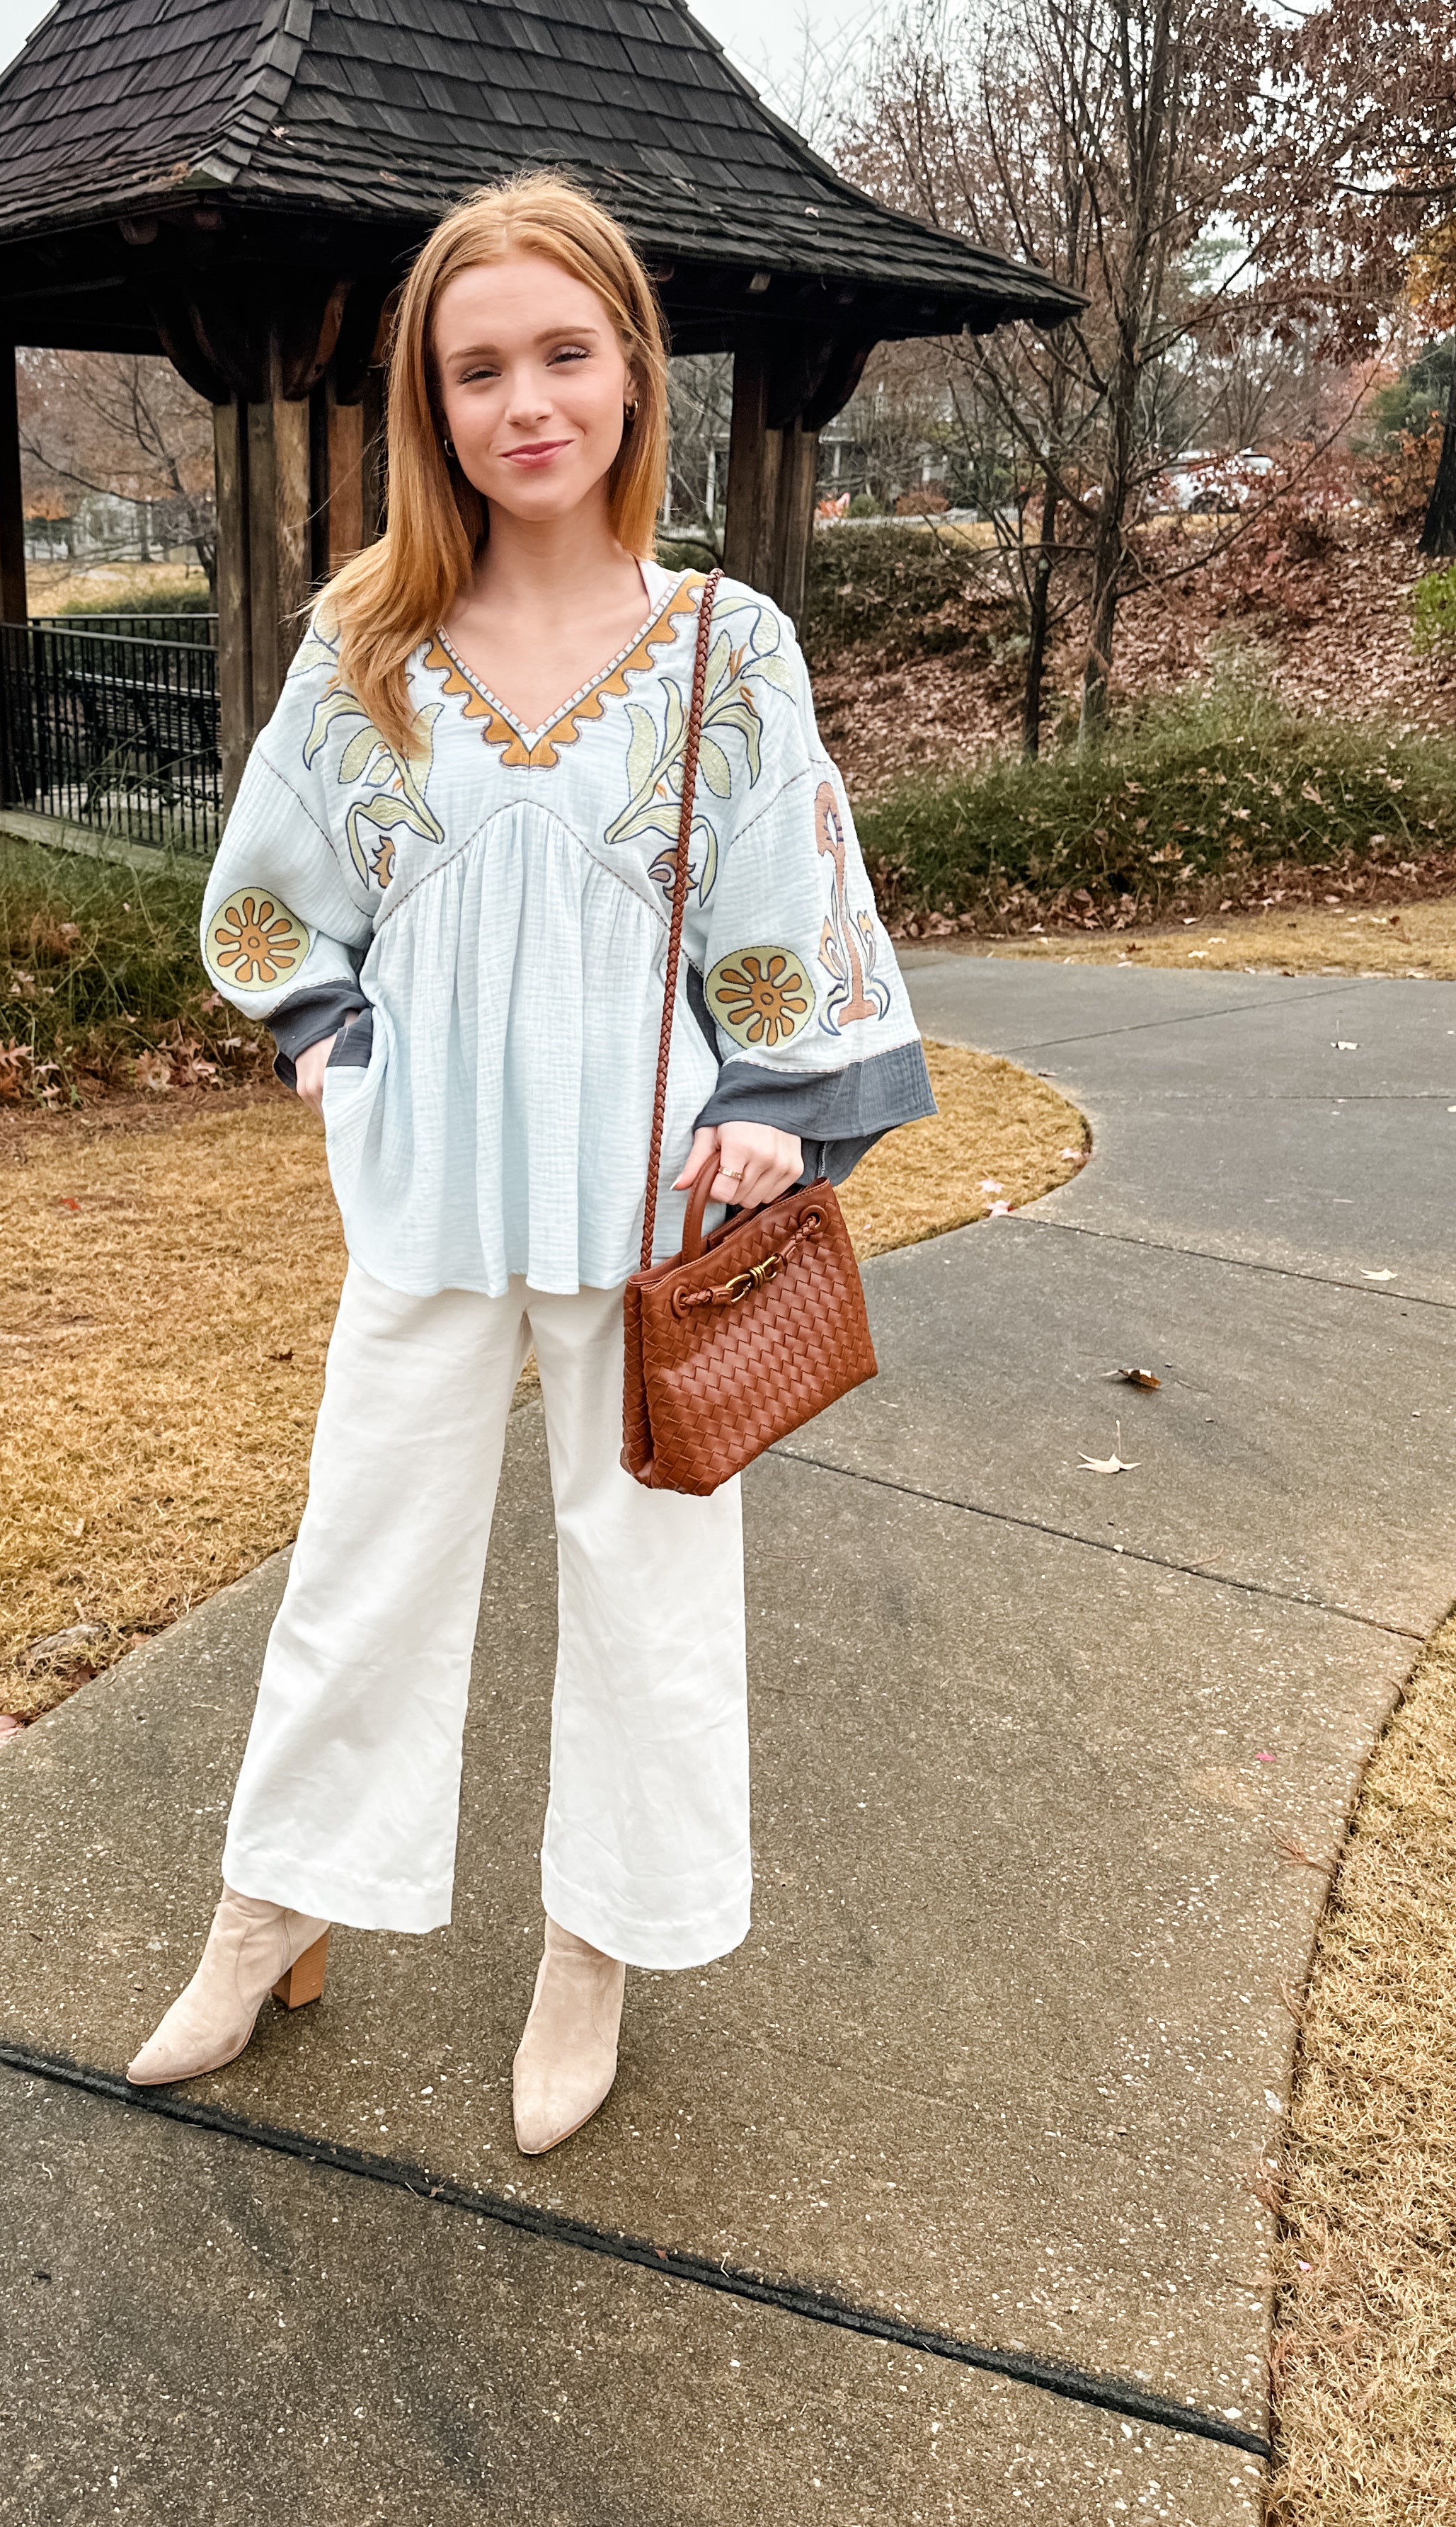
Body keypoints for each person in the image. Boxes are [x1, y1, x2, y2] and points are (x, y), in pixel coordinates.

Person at [127, 172, 934, 2154]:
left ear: (631, 373)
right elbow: (266, 901)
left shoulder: (724, 645)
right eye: (478, 367)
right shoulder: (370, 641)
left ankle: (601, 1941)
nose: (527, 402)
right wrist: (332, 1041)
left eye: (563, 354)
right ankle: (275, 1903)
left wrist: (773, 1099)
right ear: (435, 402)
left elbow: (790, 905)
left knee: (647, 1579)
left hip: (656, 1193)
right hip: (425, 1185)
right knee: (358, 1558)